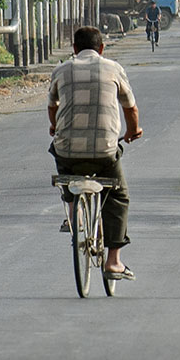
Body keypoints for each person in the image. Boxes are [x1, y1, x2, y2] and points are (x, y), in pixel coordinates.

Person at [48, 26, 143, 280]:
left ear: (74, 49)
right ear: (101, 49)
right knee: (118, 195)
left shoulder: (61, 70)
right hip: (104, 153)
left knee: (60, 157)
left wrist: (56, 126)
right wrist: (133, 131)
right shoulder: (114, 69)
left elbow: (52, 107)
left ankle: (73, 214)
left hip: (68, 153)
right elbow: (131, 109)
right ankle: (114, 261)